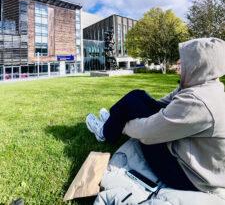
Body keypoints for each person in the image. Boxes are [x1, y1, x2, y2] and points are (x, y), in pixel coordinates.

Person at [86, 37, 225, 199]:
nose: (179, 61)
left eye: (186, 58)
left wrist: (121, 123)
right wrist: (130, 112)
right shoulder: (202, 87)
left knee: (128, 105)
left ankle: (106, 131)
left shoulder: (198, 101)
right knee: (137, 96)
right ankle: (110, 124)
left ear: (199, 64)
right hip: (191, 159)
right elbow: (160, 104)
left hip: (188, 176)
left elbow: (147, 134)